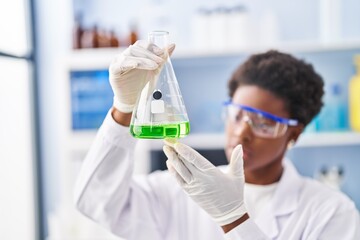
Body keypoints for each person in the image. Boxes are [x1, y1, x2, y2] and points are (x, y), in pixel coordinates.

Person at [74, 40, 360, 239]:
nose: (242, 133)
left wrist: (234, 218)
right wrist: (124, 108)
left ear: (293, 134)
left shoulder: (330, 211)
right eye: (237, 115)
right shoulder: (177, 191)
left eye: (264, 123)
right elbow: (96, 202)